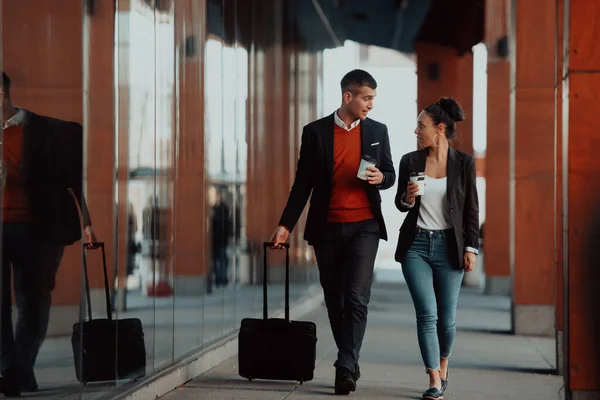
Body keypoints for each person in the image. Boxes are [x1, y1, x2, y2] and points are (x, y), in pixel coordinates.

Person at [270, 69, 396, 395]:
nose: (371, 104)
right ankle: (350, 357)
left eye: (373, 98)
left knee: (356, 296)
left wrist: (381, 179)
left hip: (365, 226)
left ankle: (344, 366)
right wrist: (286, 225)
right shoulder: (315, 133)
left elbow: (391, 173)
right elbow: (303, 184)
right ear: (348, 96)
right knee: (334, 297)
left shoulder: (378, 131)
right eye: (366, 97)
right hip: (326, 227)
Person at [0, 71, 97, 397]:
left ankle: (18, 369)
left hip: (36, 229)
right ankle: (13, 370)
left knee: (33, 301)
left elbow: (72, 178)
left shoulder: (43, 130)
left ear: (3, 93)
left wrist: (86, 222)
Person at [394, 97, 479, 399]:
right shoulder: (410, 161)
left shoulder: (464, 163)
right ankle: (432, 378)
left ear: (439, 128)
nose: (416, 131)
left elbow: (471, 210)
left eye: (421, 125)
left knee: (447, 319)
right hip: (415, 245)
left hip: (450, 247)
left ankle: (443, 364)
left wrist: (471, 247)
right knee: (426, 314)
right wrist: (407, 196)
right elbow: (400, 204)